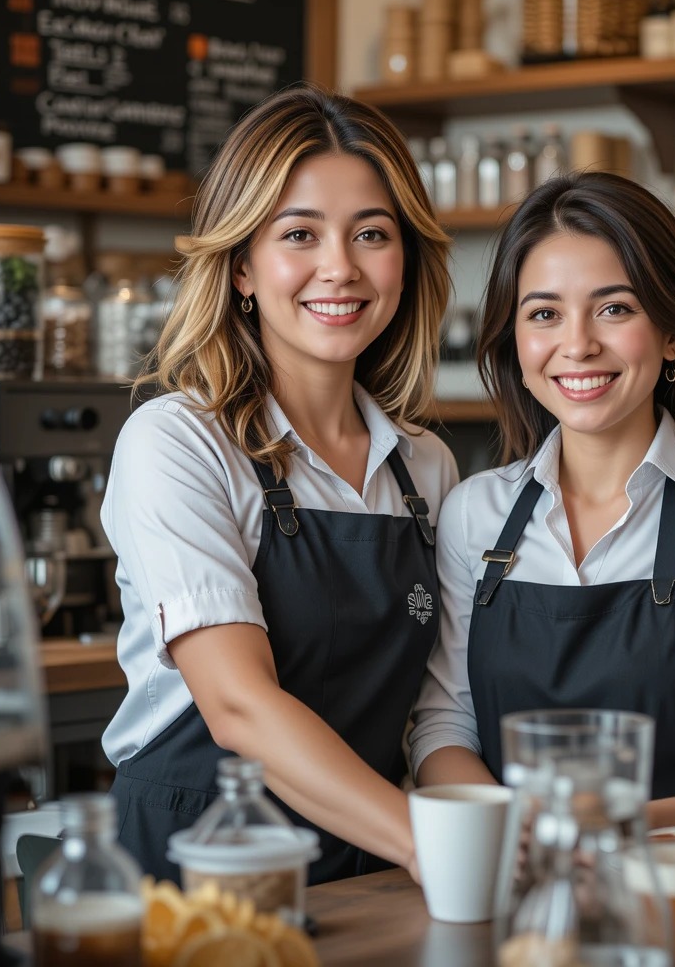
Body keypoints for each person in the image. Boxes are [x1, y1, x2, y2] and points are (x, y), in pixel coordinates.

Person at [409, 171, 675, 845]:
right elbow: (444, 726)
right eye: (544, 313)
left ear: (673, 334)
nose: (577, 344)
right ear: (516, 344)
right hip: (508, 893)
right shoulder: (474, 514)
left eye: (614, 308)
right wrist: (518, 837)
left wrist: (611, 829)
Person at [101, 84, 457, 885]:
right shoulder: (179, 442)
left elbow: (436, 709)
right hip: (199, 871)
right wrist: (438, 846)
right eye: (299, 234)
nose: (341, 267)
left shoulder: (424, 468)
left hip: (363, 868)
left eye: (372, 233)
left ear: (405, 262)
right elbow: (237, 706)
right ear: (241, 270)